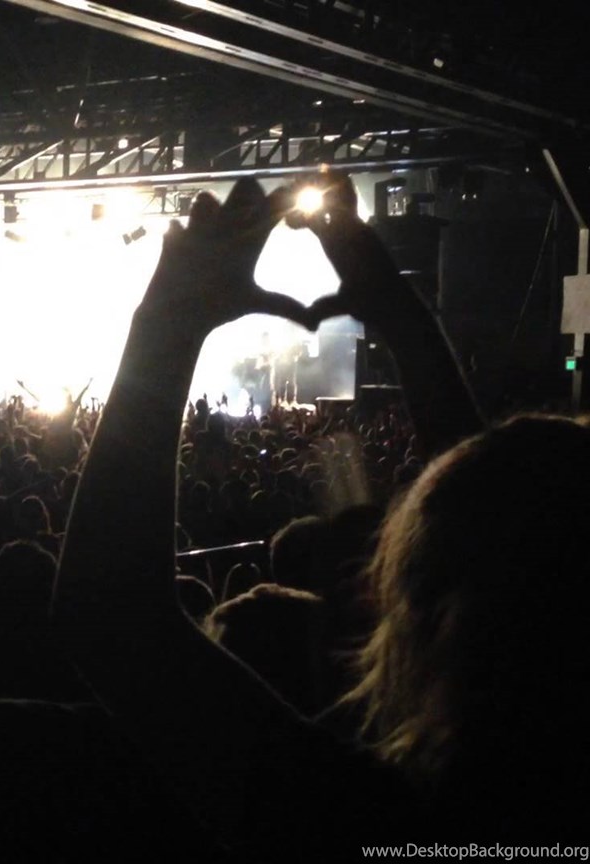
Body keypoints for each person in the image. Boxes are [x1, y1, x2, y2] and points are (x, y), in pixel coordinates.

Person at [52, 174, 489, 857]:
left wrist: (168, 322)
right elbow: (491, 541)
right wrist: (403, 319)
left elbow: (108, 612)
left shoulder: (357, 818)